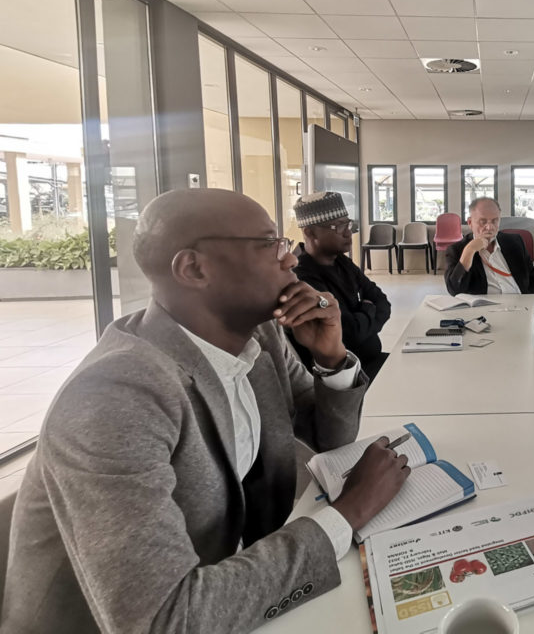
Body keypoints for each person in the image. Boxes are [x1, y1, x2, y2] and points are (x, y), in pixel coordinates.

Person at [2, 189, 410, 632]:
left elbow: (326, 441)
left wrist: (331, 358)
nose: (291, 260)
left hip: (229, 578)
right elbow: (166, 620)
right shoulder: (116, 397)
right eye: (270, 244)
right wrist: (348, 513)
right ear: (194, 268)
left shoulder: (261, 338)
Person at [292, 191, 391, 379]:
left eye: (348, 224)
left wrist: (361, 315)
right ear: (309, 232)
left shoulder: (341, 262)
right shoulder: (301, 277)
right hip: (344, 378)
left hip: (370, 361)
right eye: (337, 226)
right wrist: (368, 309)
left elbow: (383, 303)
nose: (348, 232)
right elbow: (348, 334)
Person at [445, 197, 534, 295]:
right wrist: (469, 251)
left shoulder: (515, 242)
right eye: (483, 221)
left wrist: (529, 302)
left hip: (521, 305)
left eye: (494, 221)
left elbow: (533, 280)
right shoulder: (457, 250)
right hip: (485, 308)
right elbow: (454, 290)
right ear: (470, 223)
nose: (489, 227)